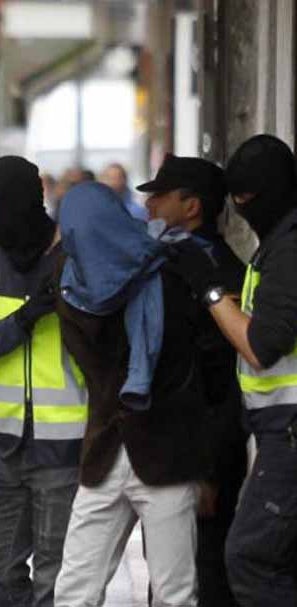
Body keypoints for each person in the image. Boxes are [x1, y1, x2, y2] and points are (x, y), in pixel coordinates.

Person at [52, 182, 207, 607]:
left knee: (175, 594)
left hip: (166, 455)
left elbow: (200, 371)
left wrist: (206, 463)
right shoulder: (69, 283)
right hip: (105, 453)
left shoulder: (169, 274)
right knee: (74, 591)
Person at [0, 156, 86, 607]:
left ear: (17, 204)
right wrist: (21, 322)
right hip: (6, 450)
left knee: (56, 587)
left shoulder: (74, 255)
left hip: (66, 453)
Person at [167, 134, 297, 606]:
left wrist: (210, 290)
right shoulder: (277, 243)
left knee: (250, 558)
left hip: (290, 431)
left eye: (246, 198)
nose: (240, 209)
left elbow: (261, 347)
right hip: (274, 428)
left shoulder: (288, 248)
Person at [138, 154, 246, 607]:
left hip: (199, 454)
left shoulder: (209, 270)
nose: (150, 206)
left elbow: (220, 379)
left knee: (200, 575)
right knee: (172, 575)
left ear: (192, 206)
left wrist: (208, 471)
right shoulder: (175, 261)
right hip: (173, 449)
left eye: (160, 197)